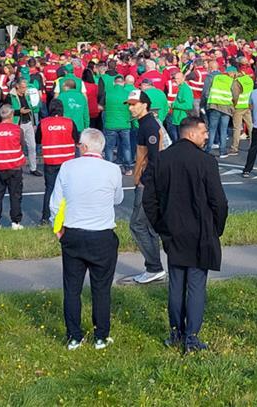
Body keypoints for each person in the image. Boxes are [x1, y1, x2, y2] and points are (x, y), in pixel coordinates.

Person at [143, 116, 228, 353]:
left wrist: (161, 226)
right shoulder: (206, 162)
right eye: (204, 132)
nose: (207, 136)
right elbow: (219, 201)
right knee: (196, 285)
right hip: (201, 233)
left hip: (173, 232)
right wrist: (216, 228)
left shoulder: (161, 159)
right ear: (191, 134)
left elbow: (149, 200)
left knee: (176, 283)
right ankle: (192, 336)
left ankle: (176, 332)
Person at [50, 128, 123, 351]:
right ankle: (101, 336)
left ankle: (74, 336)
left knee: (72, 288)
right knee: (101, 288)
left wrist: (58, 228)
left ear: (82, 147)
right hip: (102, 234)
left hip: (74, 233)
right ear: (101, 147)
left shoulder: (68, 167)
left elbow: (55, 202)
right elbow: (118, 199)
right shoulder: (113, 169)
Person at [125, 90, 166, 283]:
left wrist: (144, 181)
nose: (131, 108)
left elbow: (155, 158)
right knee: (148, 226)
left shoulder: (148, 126)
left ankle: (154, 267)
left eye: (134, 104)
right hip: (150, 182)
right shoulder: (144, 124)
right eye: (130, 104)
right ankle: (155, 268)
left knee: (137, 224)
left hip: (148, 184)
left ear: (144, 105)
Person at [36, 99, 79, 225]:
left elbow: (38, 139)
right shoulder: (69, 122)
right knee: (68, 189)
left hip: (51, 160)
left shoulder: (43, 123)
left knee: (50, 189)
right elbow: (77, 139)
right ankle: (69, 217)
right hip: (67, 161)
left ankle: (45, 217)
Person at [0, 104, 25, 230]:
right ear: (12, 115)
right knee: (15, 195)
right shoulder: (17, 129)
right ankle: (15, 222)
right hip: (14, 166)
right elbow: (22, 145)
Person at [205, 66, 239, 158]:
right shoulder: (232, 81)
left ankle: (208, 149)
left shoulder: (216, 78)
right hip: (226, 108)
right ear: (231, 73)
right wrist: (234, 104)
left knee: (212, 129)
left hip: (214, 105)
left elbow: (207, 91)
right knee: (223, 130)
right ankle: (222, 151)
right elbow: (235, 95)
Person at [9, 79, 42, 177]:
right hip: (18, 124)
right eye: (23, 87)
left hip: (28, 122)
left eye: (26, 87)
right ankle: (15, 167)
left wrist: (34, 123)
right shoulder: (10, 96)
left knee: (32, 146)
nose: (25, 89)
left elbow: (31, 108)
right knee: (18, 147)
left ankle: (33, 168)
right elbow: (7, 110)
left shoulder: (27, 95)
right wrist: (19, 111)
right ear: (17, 86)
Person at [102, 75, 133, 176]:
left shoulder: (107, 93)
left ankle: (109, 169)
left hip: (110, 124)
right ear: (123, 83)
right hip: (125, 124)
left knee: (109, 147)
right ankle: (128, 168)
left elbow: (100, 106)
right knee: (126, 147)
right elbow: (133, 109)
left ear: (114, 83)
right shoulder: (129, 94)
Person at [167, 70, 194, 143]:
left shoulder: (186, 89)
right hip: (177, 118)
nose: (176, 80)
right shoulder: (181, 88)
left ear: (183, 78)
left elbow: (188, 105)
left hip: (182, 118)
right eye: (175, 78)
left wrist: (173, 105)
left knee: (181, 140)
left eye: (178, 78)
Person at [229, 70, 253, 155]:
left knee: (237, 128)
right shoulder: (249, 79)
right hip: (247, 105)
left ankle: (234, 148)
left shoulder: (237, 82)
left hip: (238, 107)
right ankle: (253, 145)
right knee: (250, 125)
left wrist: (233, 105)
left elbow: (235, 95)